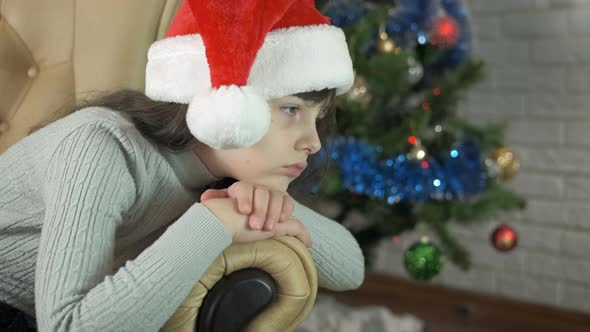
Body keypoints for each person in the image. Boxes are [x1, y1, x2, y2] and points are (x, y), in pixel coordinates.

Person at [0, 0, 365, 331]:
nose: (313, 142)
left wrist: (256, 207)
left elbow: (351, 268)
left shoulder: (229, 178)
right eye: (291, 109)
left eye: (318, 117)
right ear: (226, 105)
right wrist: (216, 222)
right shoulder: (102, 146)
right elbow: (68, 327)